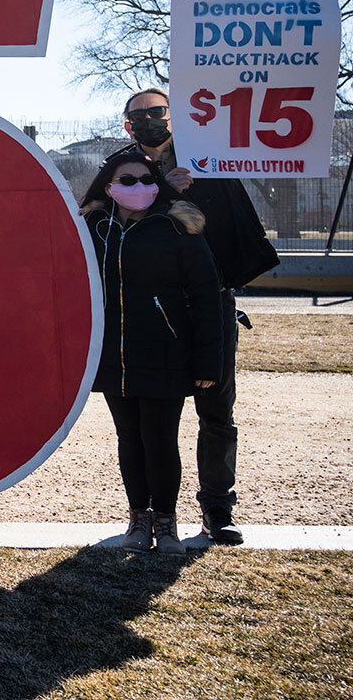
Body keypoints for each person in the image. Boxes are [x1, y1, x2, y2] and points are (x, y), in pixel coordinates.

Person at [114, 87, 279, 544]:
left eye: (158, 111)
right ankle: (151, 514)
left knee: (216, 412)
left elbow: (232, 219)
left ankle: (216, 510)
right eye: (139, 115)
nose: (149, 120)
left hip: (210, 302)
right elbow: (110, 223)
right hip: (151, 309)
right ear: (128, 125)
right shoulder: (123, 166)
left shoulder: (212, 158)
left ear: (173, 114)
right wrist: (162, 192)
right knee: (150, 421)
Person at [81, 149, 221, 555]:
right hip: (113, 355)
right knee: (130, 439)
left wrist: (207, 361)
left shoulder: (178, 228)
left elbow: (205, 296)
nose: (137, 188)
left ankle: (166, 521)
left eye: (146, 180)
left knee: (160, 439)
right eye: (127, 180)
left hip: (167, 351)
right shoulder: (93, 228)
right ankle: (138, 519)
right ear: (109, 186)